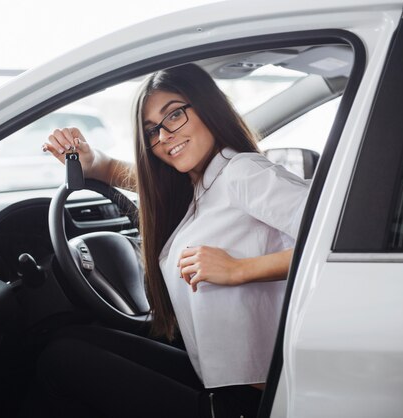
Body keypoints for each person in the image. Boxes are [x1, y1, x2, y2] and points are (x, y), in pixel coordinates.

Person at [34, 63, 310, 418]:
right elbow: (147, 184)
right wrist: (93, 162)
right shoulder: (203, 182)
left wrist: (240, 269)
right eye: (152, 130)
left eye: (175, 115)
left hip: (248, 401)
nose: (164, 136)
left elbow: (337, 238)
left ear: (208, 107)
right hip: (217, 378)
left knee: (61, 361)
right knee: (73, 343)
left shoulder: (243, 172)